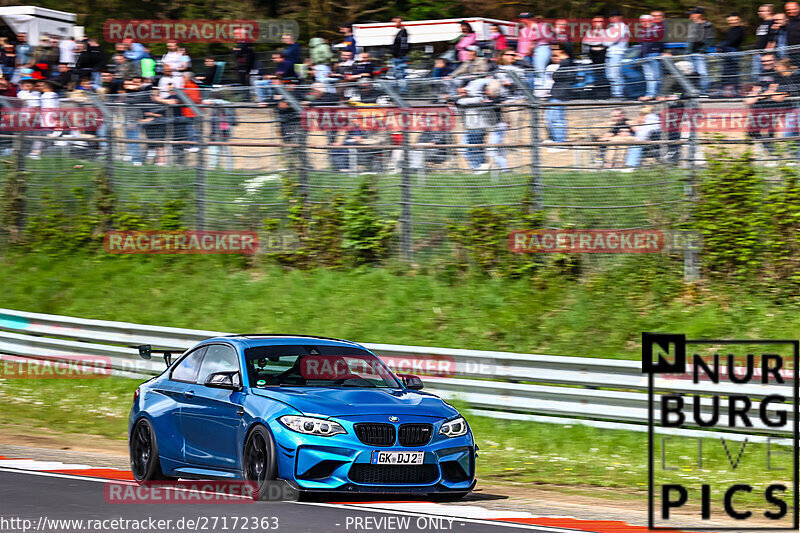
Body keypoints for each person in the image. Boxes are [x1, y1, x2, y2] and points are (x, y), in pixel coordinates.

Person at [545, 44, 573, 148]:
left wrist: (555, 75)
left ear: (561, 50)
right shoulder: (564, 63)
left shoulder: (566, 63)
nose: (552, 51)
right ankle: (555, 139)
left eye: (554, 49)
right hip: (556, 93)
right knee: (551, 118)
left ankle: (560, 142)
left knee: (557, 118)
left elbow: (557, 76)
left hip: (560, 93)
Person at [687, 7, 714, 95]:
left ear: (699, 15)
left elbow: (710, 40)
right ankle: (694, 93)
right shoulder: (691, 25)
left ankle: (704, 92)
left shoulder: (707, 25)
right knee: (691, 74)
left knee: (703, 74)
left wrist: (702, 50)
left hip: (699, 55)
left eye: (693, 13)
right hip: (690, 54)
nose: (691, 15)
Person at [604, 10, 630, 99]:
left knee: (616, 75)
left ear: (620, 17)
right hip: (610, 53)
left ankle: (619, 94)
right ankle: (615, 94)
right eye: (611, 17)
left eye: (614, 16)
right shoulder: (610, 28)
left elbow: (610, 41)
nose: (612, 18)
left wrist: (606, 41)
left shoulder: (623, 27)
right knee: (610, 75)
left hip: (618, 53)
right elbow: (604, 41)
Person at [639, 14, 665, 100]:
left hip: (654, 55)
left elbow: (661, 43)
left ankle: (658, 94)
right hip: (645, 56)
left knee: (656, 76)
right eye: (642, 21)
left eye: (646, 21)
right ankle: (650, 94)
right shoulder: (643, 31)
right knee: (649, 77)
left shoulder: (656, 30)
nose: (644, 23)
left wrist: (660, 53)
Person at [719, 13, 745, 96]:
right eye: (730, 20)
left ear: (738, 20)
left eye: (734, 20)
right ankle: (725, 90)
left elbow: (733, 41)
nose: (732, 22)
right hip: (727, 53)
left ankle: (736, 90)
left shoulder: (739, 30)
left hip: (733, 52)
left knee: (733, 72)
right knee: (726, 72)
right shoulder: (731, 30)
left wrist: (722, 45)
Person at [754, 5, 777, 81]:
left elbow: (772, 39)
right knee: (757, 75)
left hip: (765, 54)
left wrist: (768, 53)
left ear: (769, 12)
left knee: (767, 75)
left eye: (762, 11)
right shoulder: (763, 24)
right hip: (758, 53)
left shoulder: (773, 22)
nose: (759, 13)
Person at [391, 17, 409, 92]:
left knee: (400, 74)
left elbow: (404, 44)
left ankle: (402, 91)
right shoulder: (400, 32)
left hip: (399, 57)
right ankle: (398, 90)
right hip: (397, 56)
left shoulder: (403, 32)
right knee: (396, 74)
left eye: (396, 22)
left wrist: (400, 55)